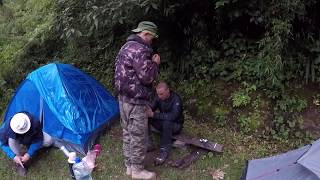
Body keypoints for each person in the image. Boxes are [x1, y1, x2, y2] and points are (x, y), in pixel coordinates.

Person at [114, 21, 160, 180]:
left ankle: (129, 166)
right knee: (138, 136)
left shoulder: (126, 46)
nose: (152, 41)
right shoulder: (140, 50)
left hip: (123, 99)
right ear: (146, 34)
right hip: (136, 100)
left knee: (127, 133)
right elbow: (147, 77)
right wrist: (155, 64)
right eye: (152, 38)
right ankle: (137, 171)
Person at [0, 112, 52, 176]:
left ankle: (30, 146)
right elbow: (2, 143)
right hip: (17, 140)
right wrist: (13, 156)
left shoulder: (35, 121)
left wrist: (29, 154)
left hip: (30, 138)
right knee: (11, 141)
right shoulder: (7, 127)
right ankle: (20, 162)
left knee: (49, 140)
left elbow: (39, 139)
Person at [146, 82, 184, 165]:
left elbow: (173, 116)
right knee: (147, 117)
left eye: (161, 94)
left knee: (167, 122)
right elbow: (152, 107)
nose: (159, 96)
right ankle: (149, 143)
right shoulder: (159, 98)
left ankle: (164, 150)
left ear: (168, 90)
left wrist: (154, 114)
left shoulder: (176, 99)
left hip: (176, 126)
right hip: (164, 123)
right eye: (158, 94)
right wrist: (148, 109)